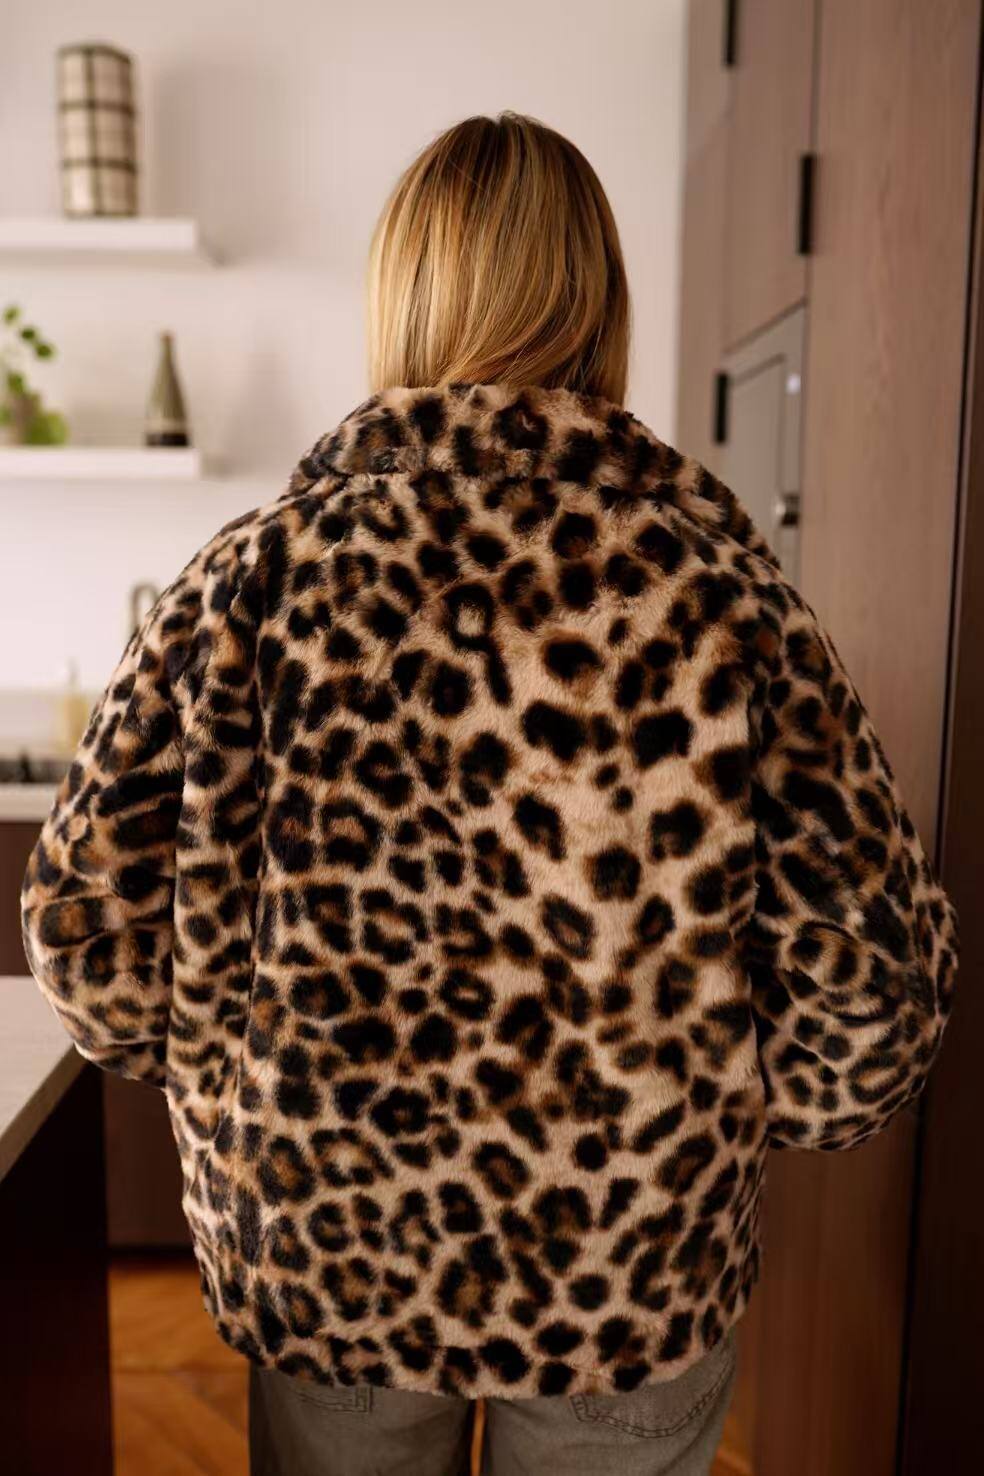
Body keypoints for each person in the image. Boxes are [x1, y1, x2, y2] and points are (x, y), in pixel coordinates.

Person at [21, 112, 958, 1476]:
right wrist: (751, 1110)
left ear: (397, 300)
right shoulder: (728, 597)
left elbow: (87, 943)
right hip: (629, 1273)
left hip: (328, 1254)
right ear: (604, 309)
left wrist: (229, 1073)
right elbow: (873, 993)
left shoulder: (245, 584)